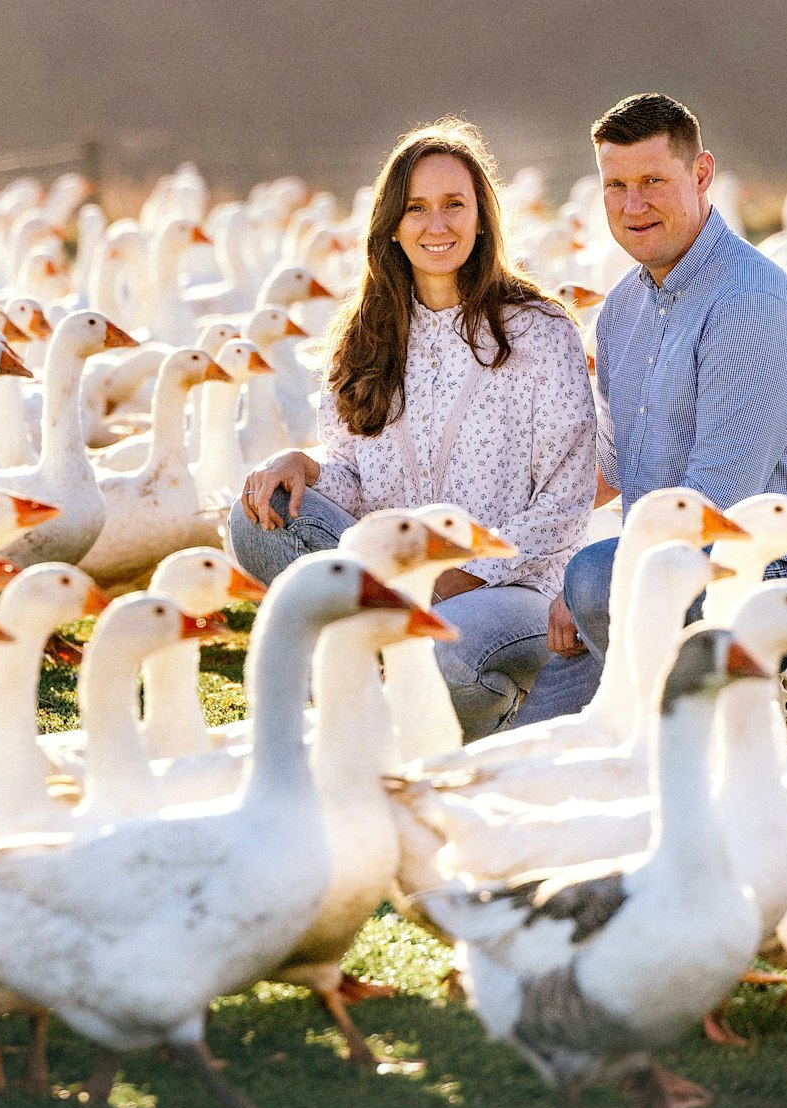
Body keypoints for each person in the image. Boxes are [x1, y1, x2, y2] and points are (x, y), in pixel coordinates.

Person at [228, 117, 596, 741]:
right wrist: (307, 467)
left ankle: (495, 710)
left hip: (513, 590)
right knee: (258, 516)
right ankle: (377, 665)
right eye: (417, 208)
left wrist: (462, 575)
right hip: (393, 582)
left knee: (441, 662)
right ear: (393, 225)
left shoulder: (539, 330)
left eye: (455, 205)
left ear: (482, 217)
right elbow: (354, 475)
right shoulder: (361, 338)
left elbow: (565, 501)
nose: (437, 224)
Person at [512, 93, 787, 726]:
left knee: (590, 578)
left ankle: (742, 702)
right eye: (617, 186)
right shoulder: (621, 313)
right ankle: (676, 711)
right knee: (537, 730)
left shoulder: (755, 303)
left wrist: (594, 582)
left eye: (654, 181)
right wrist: (501, 541)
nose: (633, 206)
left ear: (702, 174)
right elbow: (605, 469)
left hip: (765, 566)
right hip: (652, 566)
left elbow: (716, 499)